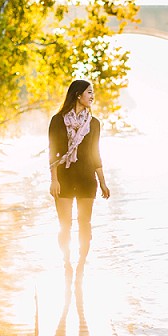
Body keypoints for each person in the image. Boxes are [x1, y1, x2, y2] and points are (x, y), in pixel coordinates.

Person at [49, 79, 110, 280]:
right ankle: (66, 262)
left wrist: (102, 181)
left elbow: (95, 153)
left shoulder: (94, 124)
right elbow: (54, 152)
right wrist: (54, 180)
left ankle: (81, 264)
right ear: (78, 95)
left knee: (85, 223)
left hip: (86, 178)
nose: (92, 96)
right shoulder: (57, 121)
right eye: (89, 92)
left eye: (93, 93)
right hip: (64, 178)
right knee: (64, 224)